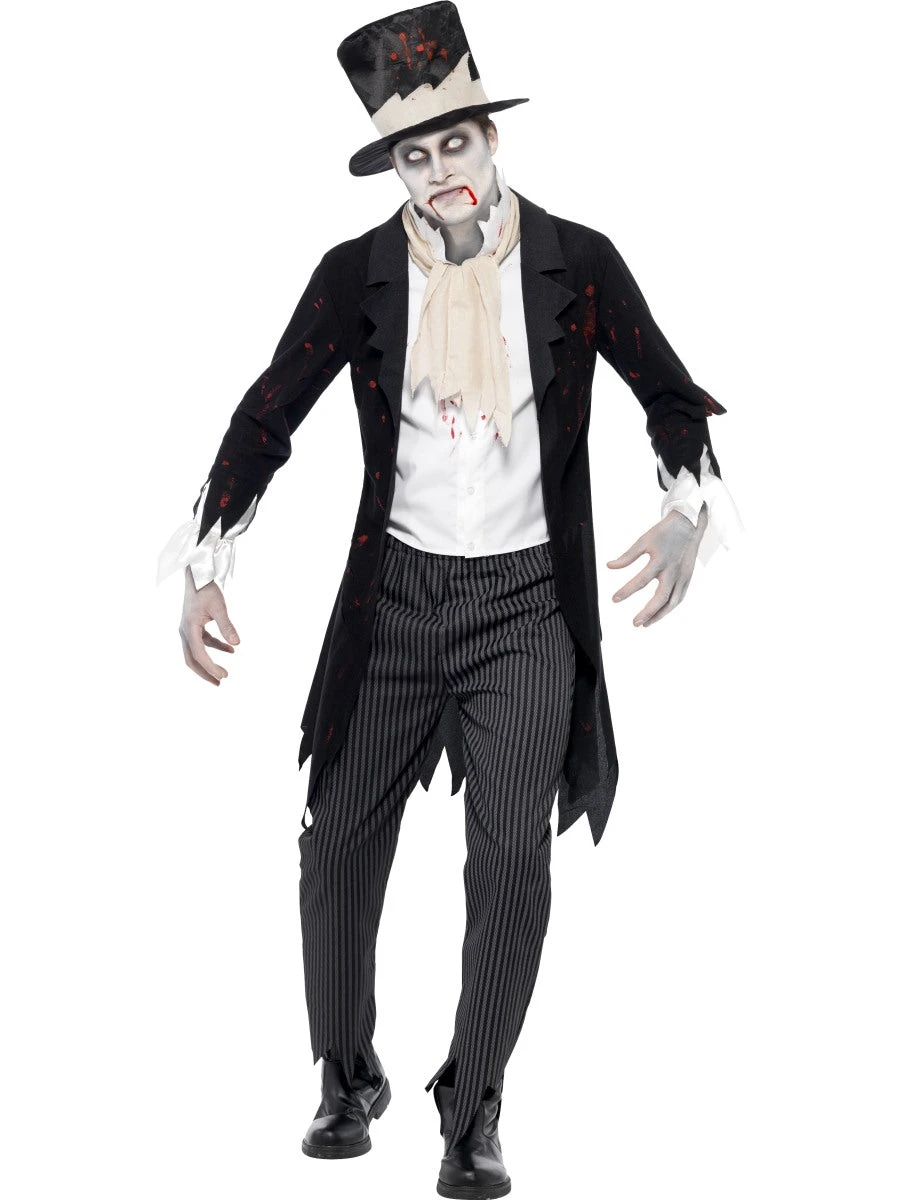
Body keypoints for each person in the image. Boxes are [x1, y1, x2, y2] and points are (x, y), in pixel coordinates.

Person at [156, 4, 744, 1196]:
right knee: (335, 847)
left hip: (528, 604)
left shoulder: (578, 263)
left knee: (513, 858)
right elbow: (266, 416)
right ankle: (346, 1074)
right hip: (395, 603)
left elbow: (672, 396)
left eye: (456, 143)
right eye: (415, 155)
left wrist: (689, 511)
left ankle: (472, 1107)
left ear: (491, 138)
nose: (440, 172)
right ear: (399, 168)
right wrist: (206, 566)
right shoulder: (356, 275)